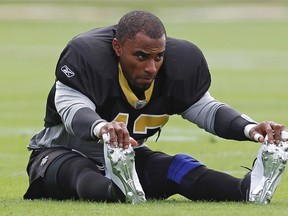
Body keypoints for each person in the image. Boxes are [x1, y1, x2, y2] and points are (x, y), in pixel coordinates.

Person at [24, 10, 288, 204]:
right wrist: (102, 127)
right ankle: (118, 191)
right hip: (60, 153)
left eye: (158, 56)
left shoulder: (177, 65)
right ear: (117, 47)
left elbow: (206, 109)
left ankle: (248, 190)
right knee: (82, 173)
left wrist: (251, 128)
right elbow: (72, 111)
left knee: (179, 167)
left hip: (128, 157)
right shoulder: (86, 56)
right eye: (140, 56)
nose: (151, 67)